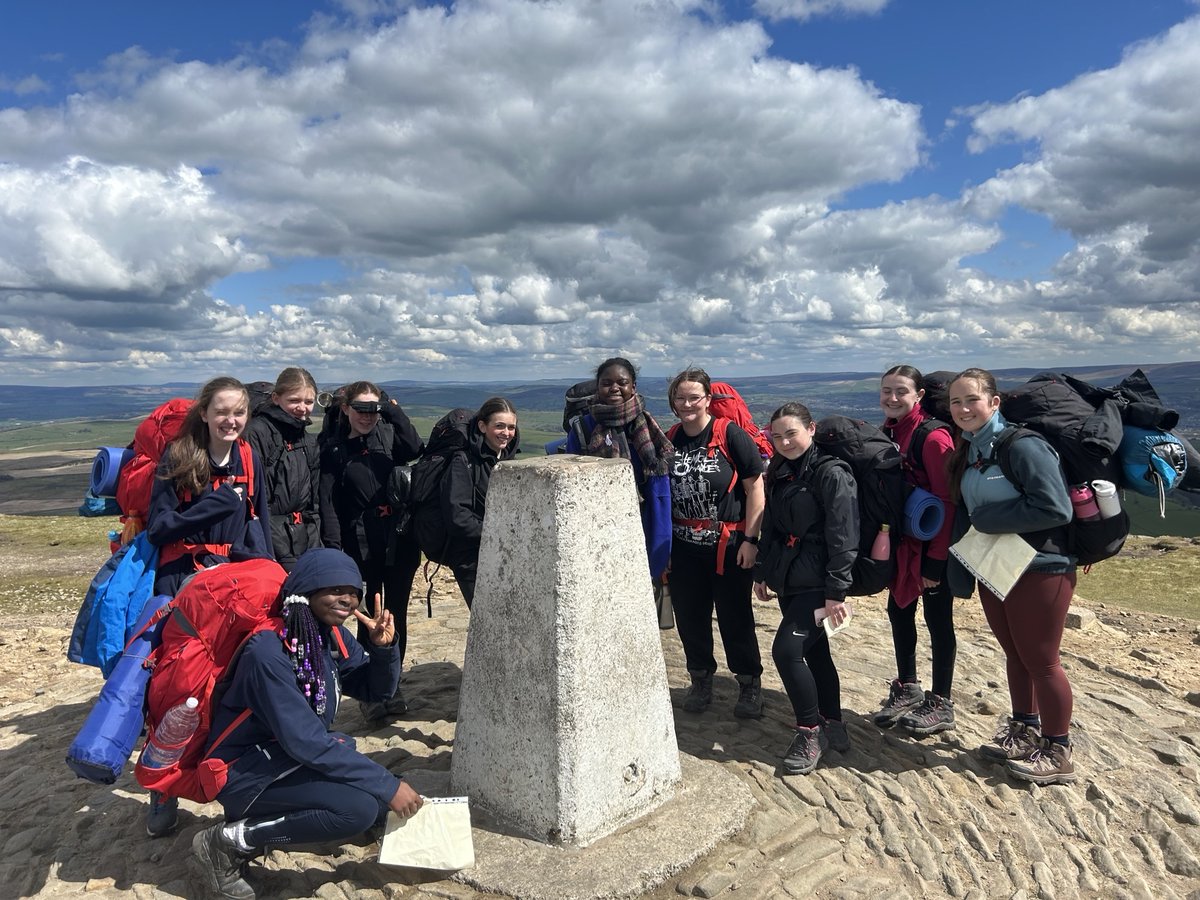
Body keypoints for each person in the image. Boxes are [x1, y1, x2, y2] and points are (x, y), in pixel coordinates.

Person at [189, 548, 423, 900]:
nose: (347, 599)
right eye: (334, 590)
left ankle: (303, 820)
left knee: (374, 801)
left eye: (353, 591)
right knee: (357, 809)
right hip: (244, 774)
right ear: (306, 592)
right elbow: (306, 741)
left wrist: (382, 651)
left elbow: (375, 691)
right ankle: (227, 843)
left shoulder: (329, 635)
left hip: (281, 760)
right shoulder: (267, 653)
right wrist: (387, 785)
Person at [144, 375, 274, 837]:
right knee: (177, 687)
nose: (231, 420)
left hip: (232, 585)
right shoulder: (179, 458)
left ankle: (224, 780)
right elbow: (160, 528)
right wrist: (216, 505)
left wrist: (273, 575)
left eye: (239, 412)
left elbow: (257, 520)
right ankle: (161, 788)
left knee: (229, 685)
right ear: (204, 413)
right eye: (222, 411)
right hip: (183, 583)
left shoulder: (247, 457)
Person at [945, 368, 1078, 785]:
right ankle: (1024, 731)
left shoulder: (1023, 447)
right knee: (1016, 655)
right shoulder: (969, 451)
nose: (964, 409)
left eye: (972, 400)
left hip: (1041, 567)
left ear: (994, 402)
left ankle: (1059, 751)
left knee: (1042, 662)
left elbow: (1057, 508)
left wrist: (988, 520)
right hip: (996, 566)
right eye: (955, 402)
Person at [753, 402, 857, 775]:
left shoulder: (831, 474)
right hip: (791, 579)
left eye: (791, 433)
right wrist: (763, 572)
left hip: (819, 582)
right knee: (816, 654)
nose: (783, 441)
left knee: (786, 651)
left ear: (811, 429)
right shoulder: (781, 471)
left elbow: (844, 535)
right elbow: (773, 527)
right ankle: (833, 721)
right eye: (776, 436)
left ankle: (809, 730)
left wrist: (836, 591)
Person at [318, 381, 423, 722]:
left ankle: (392, 686)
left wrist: (390, 409)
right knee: (366, 616)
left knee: (396, 615)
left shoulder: (389, 437)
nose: (367, 416)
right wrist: (335, 550)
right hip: (358, 544)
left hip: (398, 540)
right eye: (360, 409)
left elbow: (415, 446)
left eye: (372, 409)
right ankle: (371, 689)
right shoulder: (333, 449)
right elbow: (330, 503)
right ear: (345, 408)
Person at [665, 368, 765, 718]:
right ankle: (701, 679)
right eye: (681, 398)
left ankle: (749, 683)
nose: (688, 403)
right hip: (683, 547)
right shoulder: (670, 439)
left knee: (735, 616)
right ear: (673, 402)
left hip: (728, 544)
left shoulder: (730, 434)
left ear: (708, 399)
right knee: (690, 617)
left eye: (695, 397)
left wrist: (751, 540)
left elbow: (756, 488)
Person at [872, 365, 959, 735]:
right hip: (905, 544)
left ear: (919, 395)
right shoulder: (888, 432)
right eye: (886, 391)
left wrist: (936, 562)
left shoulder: (934, 438)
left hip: (933, 547)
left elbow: (948, 501)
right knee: (899, 611)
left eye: (901, 392)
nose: (892, 398)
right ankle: (907, 687)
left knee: (938, 620)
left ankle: (940, 702)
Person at [564, 357, 673, 579]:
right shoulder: (582, 429)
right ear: (598, 387)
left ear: (633, 387)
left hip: (643, 519)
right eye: (606, 383)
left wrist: (661, 546)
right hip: (597, 522)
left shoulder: (648, 427)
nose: (614, 388)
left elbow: (659, 486)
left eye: (622, 382)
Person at [423, 397, 519, 607]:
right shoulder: (463, 462)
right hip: (469, 557)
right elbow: (458, 516)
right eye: (499, 426)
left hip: (500, 551)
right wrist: (497, 532)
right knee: (487, 617)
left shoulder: (508, 461)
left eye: (511, 427)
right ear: (482, 426)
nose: (506, 433)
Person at [245, 367, 322, 571]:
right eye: (294, 400)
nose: (302, 408)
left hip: (304, 540)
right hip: (272, 545)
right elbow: (256, 501)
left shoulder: (306, 438)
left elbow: (313, 503)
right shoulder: (258, 433)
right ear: (276, 398)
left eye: (308, 402)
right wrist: (283, 555)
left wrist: (315, 546)